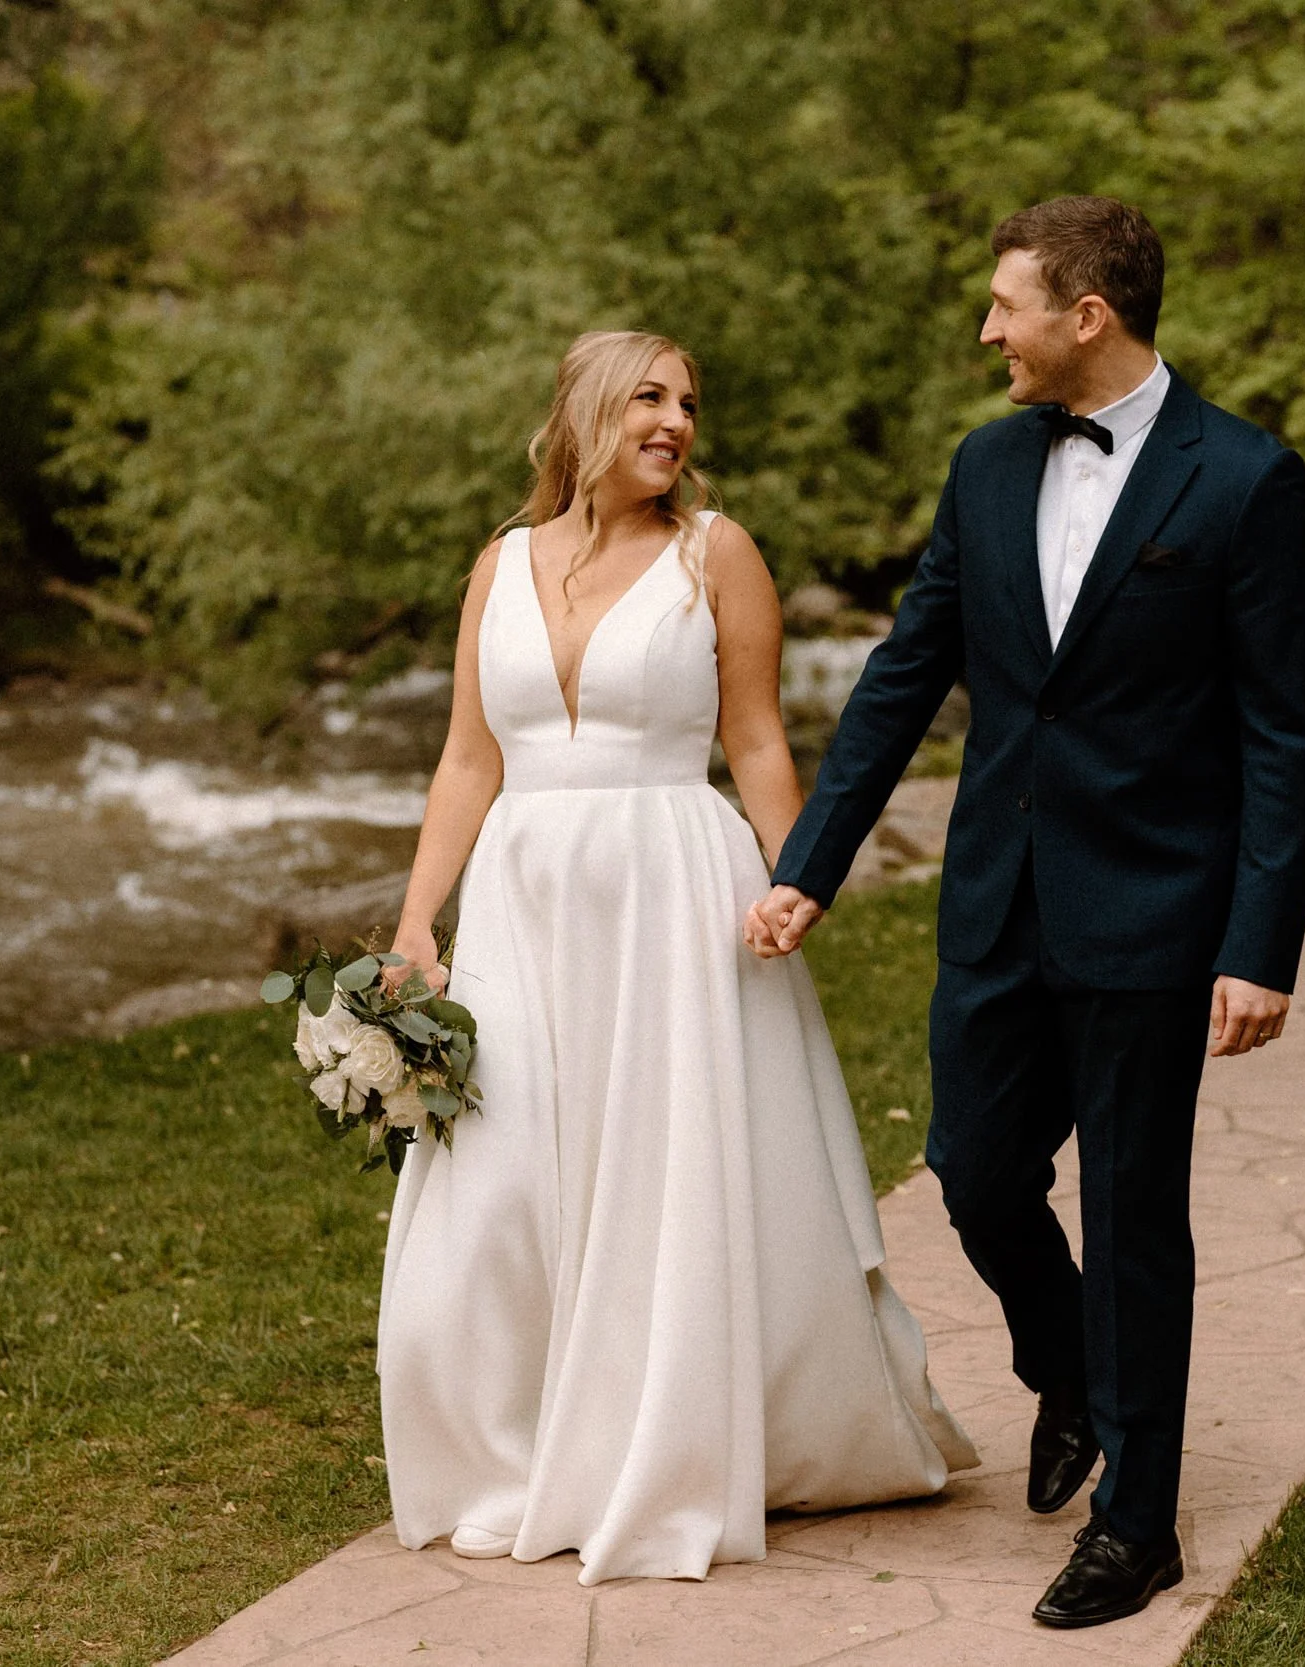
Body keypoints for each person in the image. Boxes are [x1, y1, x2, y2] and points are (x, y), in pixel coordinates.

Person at [746, 196, 1305, 1629]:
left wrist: (1259, 943)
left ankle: (1138, 1521)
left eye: (1005, 305)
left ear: (1088, 314)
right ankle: (1066, 1367)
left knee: (1133, 1212)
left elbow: (1283, 730)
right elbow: (906, 669)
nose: (985, 330)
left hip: (1155, 906)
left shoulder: (1244, 479)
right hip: (997, 898)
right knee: (974, 1168)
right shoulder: (987, 463)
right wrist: (811, 859)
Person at [374, 329, 976, 1586]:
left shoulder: (717, 551)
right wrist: (419, 919)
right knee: (504, 1172)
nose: (676, 421)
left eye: (688, 402)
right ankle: (512, 1442)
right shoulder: (499, 562)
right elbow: (469, 757)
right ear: (585, 411)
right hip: (524, 896)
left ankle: (674, 1435)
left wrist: (796, 874)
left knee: (666, 1164)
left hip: (672, 886)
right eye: (649, 396)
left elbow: (754, 736)